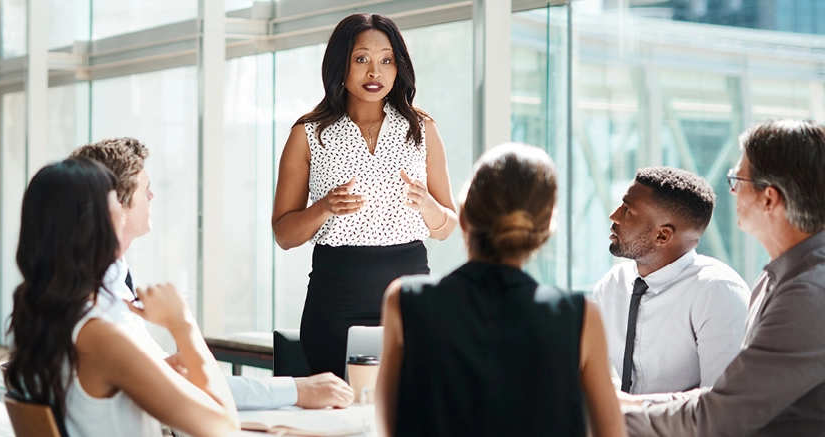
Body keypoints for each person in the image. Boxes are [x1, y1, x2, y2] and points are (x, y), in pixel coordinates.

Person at [71, 137, 355, 410]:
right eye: (144, 188)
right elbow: (180, 390)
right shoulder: (97, 306)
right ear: (115, 204)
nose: (152, 195)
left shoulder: (105, 281)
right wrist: (297, 391)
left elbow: (167, 378)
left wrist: (168, 367)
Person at [375, 144, 624, 437]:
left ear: (464, 217)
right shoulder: (580, 316)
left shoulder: (405, 300)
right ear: (544, 231)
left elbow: (387, 428)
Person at [272, 12, 458, 379]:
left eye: (386, 60)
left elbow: (446, 226)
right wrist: (324, 208)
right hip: (336, 300)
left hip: (410, 300)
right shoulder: (308, 133)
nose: (375, 72)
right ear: (340, 65)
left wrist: (427, 206)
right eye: (362, 59)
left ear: (398, 67)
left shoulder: (422, 129)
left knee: (408, 412)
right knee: (343, 411)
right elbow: (284, 234)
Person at [3, 157, 238, 437]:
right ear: (95, 224)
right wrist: (183, 323)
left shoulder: (43, 319)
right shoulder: (101, 337)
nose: (124, 214)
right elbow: (223, 428)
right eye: (116, 203)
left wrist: (149, 369)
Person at [622, 119, 825, 435]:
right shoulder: (779, 277)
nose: (731, 191)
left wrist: (604, 416)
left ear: (769, 199)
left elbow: (722, 417)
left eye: (737, 178)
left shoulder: (809, 293)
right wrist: (627, 404)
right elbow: (728, 397)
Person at [592, 167, 749, 395]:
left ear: (662, 235)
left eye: (627, 210)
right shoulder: (613, 284)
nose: (614, 215)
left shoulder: (717, 292)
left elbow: (723, 405)